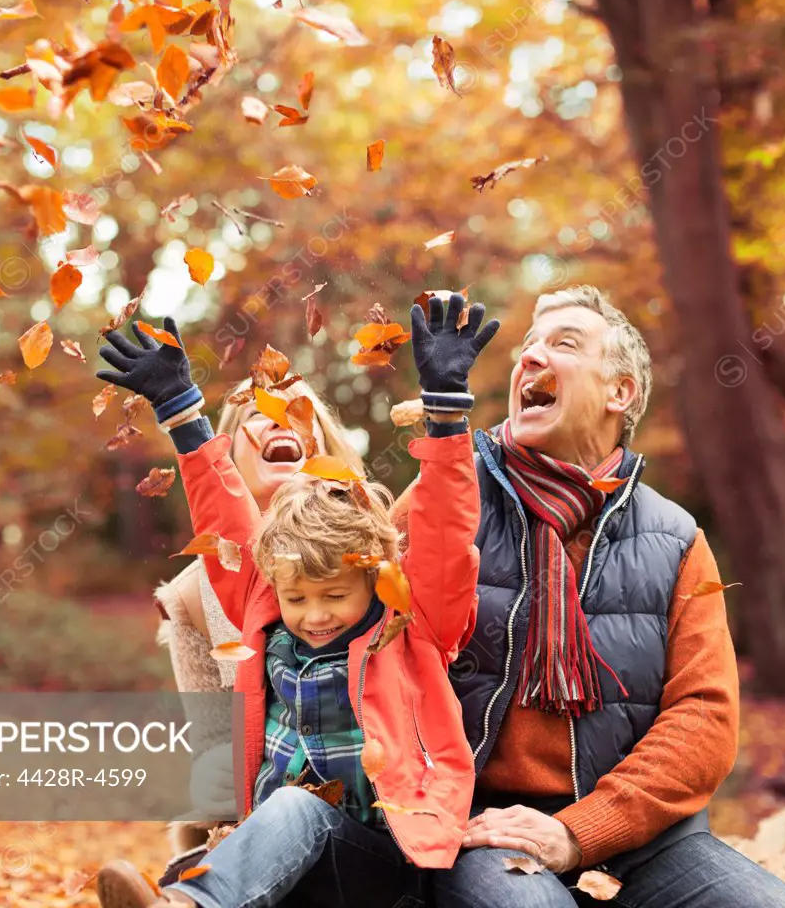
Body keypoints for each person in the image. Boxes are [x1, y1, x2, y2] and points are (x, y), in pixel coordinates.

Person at [92, 295, 500, 908]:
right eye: (297, 598)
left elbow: (445, 532)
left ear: (373, 577)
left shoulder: (409, 619)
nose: (312, 615)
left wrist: (446, 413)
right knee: (280, 820)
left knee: (297, 811)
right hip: (281, 860)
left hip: (382, 861)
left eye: (334, 594)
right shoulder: (263, 599)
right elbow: (225, 517)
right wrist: (179, 408)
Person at [432, 285, 785, 907]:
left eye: (563, 344)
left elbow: (703, 721)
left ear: (620, 393)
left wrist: (579, 832)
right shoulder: (450, 502)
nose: (529, 358)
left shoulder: (675, 539)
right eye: (527, 347)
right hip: (487, 827)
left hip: (643, 837)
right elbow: (329, 601)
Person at [153, 381, 364, 854]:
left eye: (298, 409)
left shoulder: (380, 557)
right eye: (255, 411)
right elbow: (211, 738)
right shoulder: (192, 597)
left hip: (378, 816)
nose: (278, 415)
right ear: (225, 458)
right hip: (265, 819)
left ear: (328, 452)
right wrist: (212, 775)